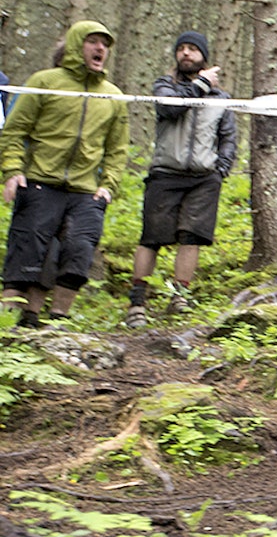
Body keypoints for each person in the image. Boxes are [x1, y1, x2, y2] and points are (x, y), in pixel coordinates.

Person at [0, 21, 129, 328]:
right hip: (40, 183)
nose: (100, 49)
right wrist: (13, 170)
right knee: (26, 257)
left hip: (86, 191)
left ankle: (58, 325)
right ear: (75, 45)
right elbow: (14, 131)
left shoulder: (113, 96)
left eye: (105, 44)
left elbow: (118, 148)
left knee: (77, 255)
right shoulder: (43, 82)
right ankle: (13, 327)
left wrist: (108, 185)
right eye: (93, 42)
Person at [124, 31, 238, 328]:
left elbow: (228, 137)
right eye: (182, 49)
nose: (186, 54)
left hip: (203, 177)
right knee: (151, 237)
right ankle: (137, 302)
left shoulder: (221, 98)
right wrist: (199, 86)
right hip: (165, 172)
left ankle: (180, 295)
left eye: (192, 50)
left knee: (192, 237)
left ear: (204, 56)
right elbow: (169, 108)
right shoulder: (165, 85)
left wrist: (220, 169)